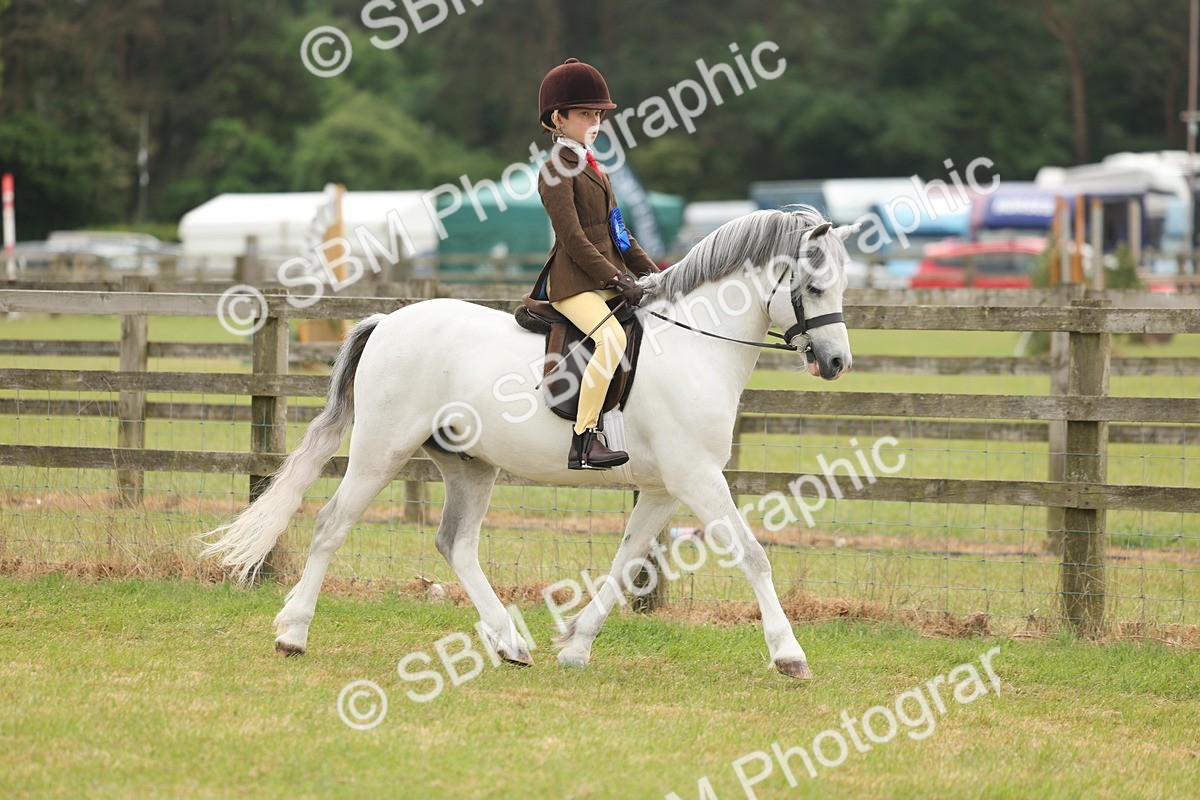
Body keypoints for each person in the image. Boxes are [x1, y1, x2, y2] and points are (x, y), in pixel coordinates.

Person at [535, 57, 659, 470]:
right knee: (612, 340)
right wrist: (616, 278)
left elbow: (618, 234)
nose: (594, 121)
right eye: (585, 113)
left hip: (606, 276)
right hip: (574, 282)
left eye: (598, 114)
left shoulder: (595, 168)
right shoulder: (555, 169)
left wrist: (657, 275)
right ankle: (584, 440)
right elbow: (573, 239)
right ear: (558, 117)